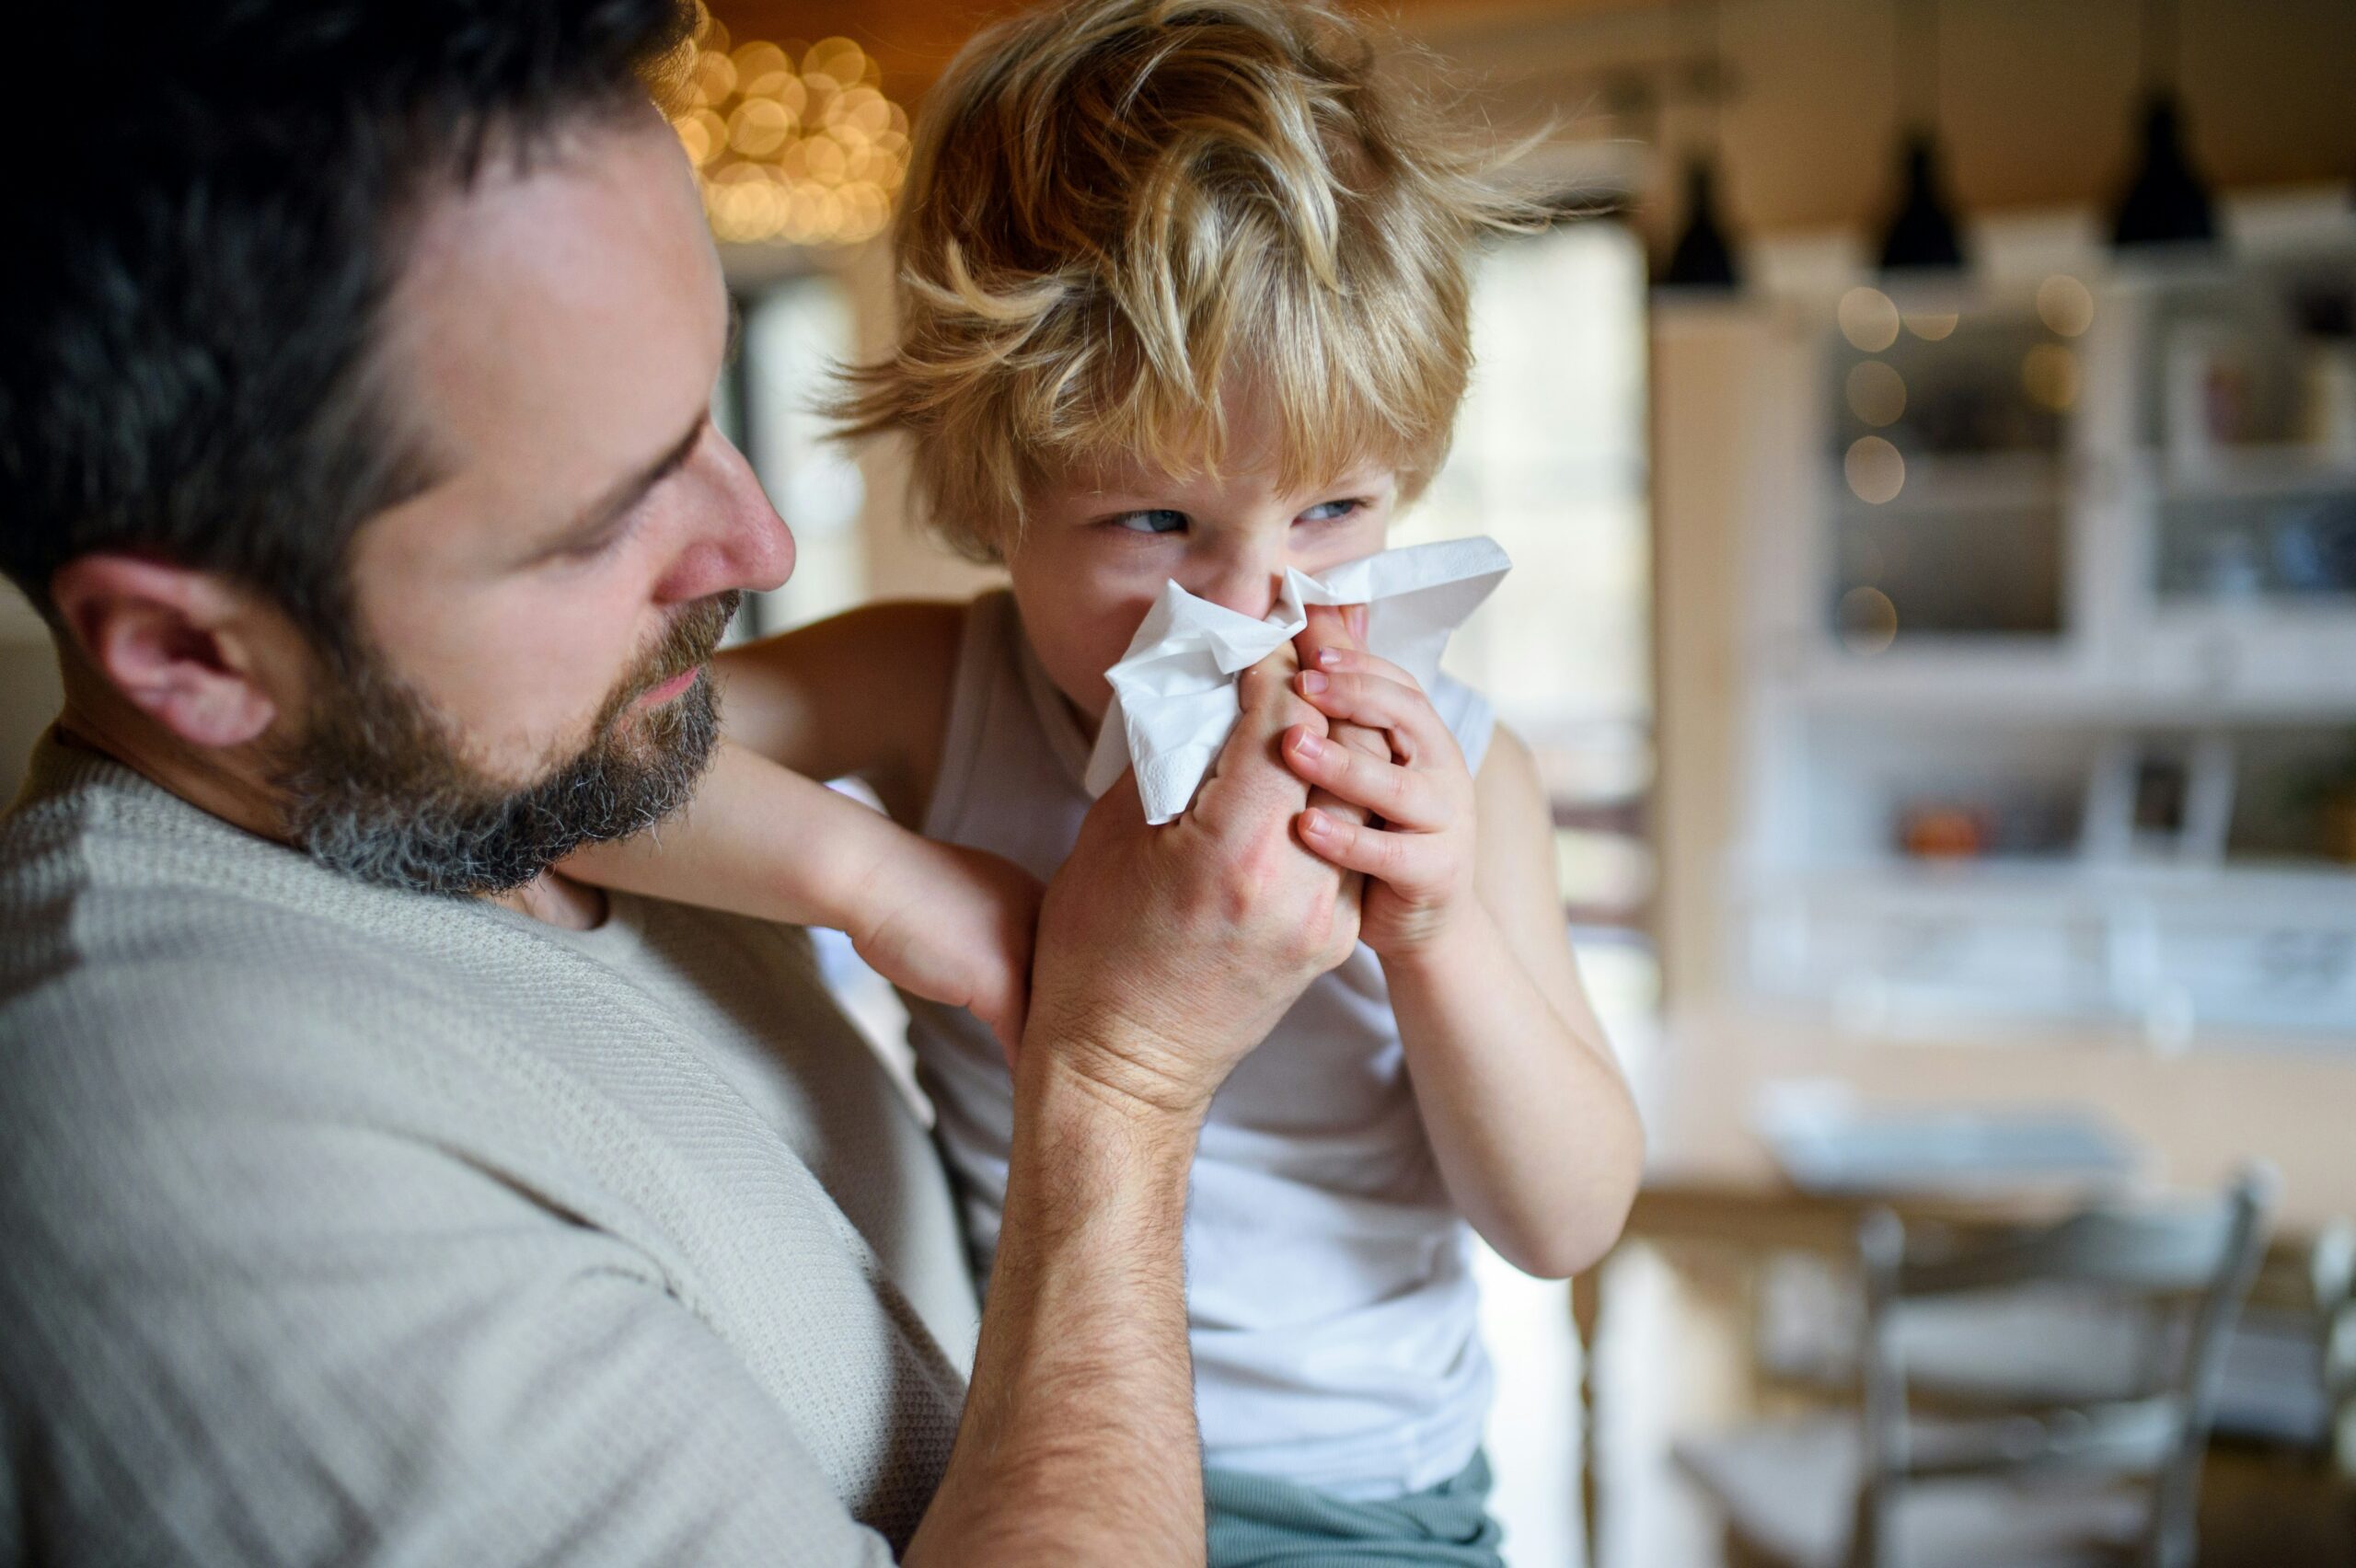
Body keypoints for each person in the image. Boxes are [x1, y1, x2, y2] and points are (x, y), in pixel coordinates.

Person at [0, 2, 1369, 1562]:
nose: (761, 548)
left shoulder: (543, 777)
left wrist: (892, 884)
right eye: (601, 521)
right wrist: (1120, 1088)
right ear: (191, 654)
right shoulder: (192, 1166)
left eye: (708, 409)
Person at [568, 0, 1646, 1559]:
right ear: (993, 498)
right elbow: (586, 766)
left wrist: (1445, 929)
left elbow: (1563, 1221)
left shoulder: (1471, 774)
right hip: (1017, 1442)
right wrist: (904, 886)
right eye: (1155, 526)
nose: (1258, 599)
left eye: (1336, 507)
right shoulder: (942, 691)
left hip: (1363, 1501)